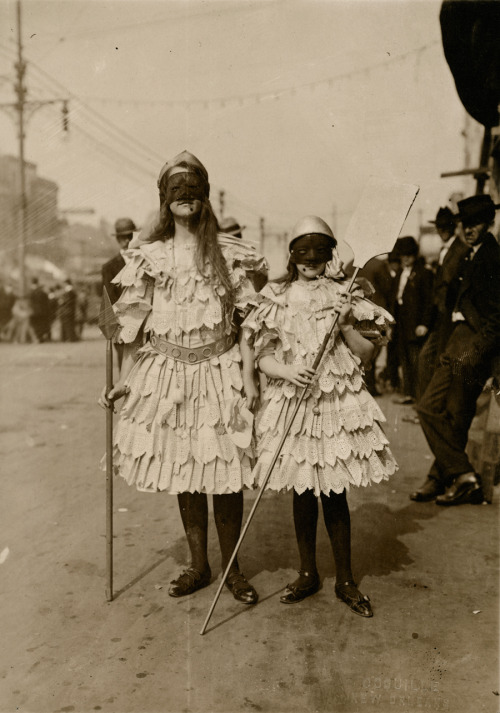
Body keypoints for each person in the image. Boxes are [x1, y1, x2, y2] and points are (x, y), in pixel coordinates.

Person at [98, 150, 268, 603]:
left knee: (225, 473)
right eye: (177, 192)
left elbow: (250, 324)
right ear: (164, 200)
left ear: (205, 197)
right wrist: (123, 380)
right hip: (169, 375)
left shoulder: (229, 255)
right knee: (187, 472)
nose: (186, 199)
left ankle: (233, 570)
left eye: (193, 191)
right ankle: (199, 565)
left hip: (220, 373)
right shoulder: (148, 258)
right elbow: (132, 328)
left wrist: (250, 379)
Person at [243, 216, 397, 617]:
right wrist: (287, 370)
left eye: (319, 251)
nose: (310, 260)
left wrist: (345, 324)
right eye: (302, 252)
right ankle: (308, 571)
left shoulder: (345, 295)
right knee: (301, 490)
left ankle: (345, 579)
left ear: (330, 254)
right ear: (292, 256)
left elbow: (365, 353)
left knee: (333, 490)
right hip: (295, 397)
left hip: (333, 399)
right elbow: (263, 356)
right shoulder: (277, 297)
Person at [411, 194, 500, 505]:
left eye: (476, 223)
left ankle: (448, 478)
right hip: (456, 339)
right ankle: (458, 475)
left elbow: (496, 318)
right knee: (432, 408)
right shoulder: (469, 254)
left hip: (473, 344)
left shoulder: (491, 257)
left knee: (454, 414)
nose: (469, 229)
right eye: (466, 223)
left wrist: (475, 353)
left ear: (488, 223)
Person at [416, 206, 469, 400]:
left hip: (450, 315)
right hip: (439, 315)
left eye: (446, 227)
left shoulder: (462, 250)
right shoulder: (444, 250)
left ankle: (433, 405)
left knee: (440, 361)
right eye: (439, 227)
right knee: (426, 359)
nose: (442, 231)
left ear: (454, 227)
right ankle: (426, 404)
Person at [390, 236, 434, 405]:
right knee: (404, 359)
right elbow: (394, 297)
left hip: (416, 324)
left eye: (409, 254)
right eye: (403, 255)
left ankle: (421, 398)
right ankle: (409, 393)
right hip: (401, 323)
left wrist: (424, 323)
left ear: (415, 254)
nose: (406, 258)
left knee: (417, 361)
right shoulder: (400, 273)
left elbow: (430, 301)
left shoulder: (424, 273)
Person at [102, 218, 138, 367]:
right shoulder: (109, 267)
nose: (127, 241)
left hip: (146, 321)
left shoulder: (144, 260)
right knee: (125, 364)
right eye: (123, 237)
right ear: (117, 239)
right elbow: (109, 297)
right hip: (123, 322)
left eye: (130, 236)